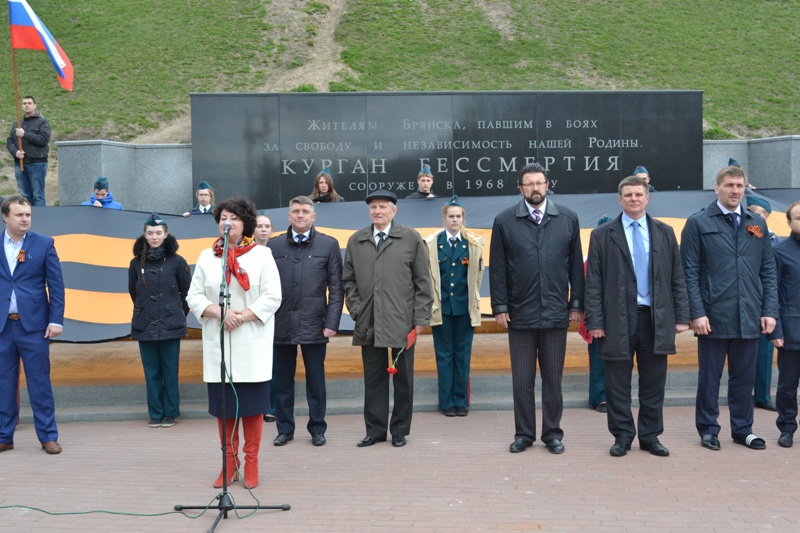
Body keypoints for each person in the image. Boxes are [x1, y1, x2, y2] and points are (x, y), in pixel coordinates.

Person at [585, 176, 690, 458]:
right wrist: (594, 322)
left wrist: (682, 316)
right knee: (617, 384)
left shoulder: (665, 232)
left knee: (653, 382)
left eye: (638, 194)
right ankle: (622, 436)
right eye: (628, 195)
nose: (633, 199)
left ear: (647, 198)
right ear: (619, 200)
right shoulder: (602, 235)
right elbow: (593, 282)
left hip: (655, 319)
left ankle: (650, 436)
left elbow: (677, 278)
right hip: (617, 320)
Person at [681, 165, 778, 451]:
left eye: (740, 186)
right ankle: (709, 429)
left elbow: (768, 270)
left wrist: (769, 310)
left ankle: (742, 429)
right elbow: (689, 271)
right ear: (717, 188)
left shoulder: (756, 224)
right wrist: (696, 312)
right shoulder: (698, 223)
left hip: (748, 314)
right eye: (729, 185)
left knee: (743, 378)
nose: (735, 190)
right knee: (709, 378)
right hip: (713, 315)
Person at [187, 196, 282, 489]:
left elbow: (272, 296)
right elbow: (194, 296)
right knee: (224, 408)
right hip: (220, 344)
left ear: (246, 224)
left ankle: (251, 460)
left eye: (234, 218)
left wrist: (242, 316)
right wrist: (220, 312)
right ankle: (230, 463)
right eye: (223, 217)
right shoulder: (207, 256)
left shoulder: (262, 255)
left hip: (251, 342)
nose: (227, 223)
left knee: (252, 408)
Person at [490, 162, 584, 454]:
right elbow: (498, 269)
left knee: (553, 380)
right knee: (522, 381)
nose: (534, 188)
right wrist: (500, 306)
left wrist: (576, 303)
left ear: (547, 185)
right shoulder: (505, 221)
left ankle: (553, 433)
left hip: (556, 313)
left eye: (539, 183)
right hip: (520, 314)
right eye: (528, 184)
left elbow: (576, 267)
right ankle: (524, 433)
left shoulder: (567, 218)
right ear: (520, 188)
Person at [343, 190, 433, 448]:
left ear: (394, 211)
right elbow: (348, 281)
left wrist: (419, 319)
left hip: (402, 320)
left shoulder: (410, 238)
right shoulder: (357, 240)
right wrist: (358, 310)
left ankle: (400, 430)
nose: (377, 211)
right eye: (373, 207)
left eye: (383, 207)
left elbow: (423, 282)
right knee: (373, 379)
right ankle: (375, 430)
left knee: (404, 378)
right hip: (368, 321)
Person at [268, 196, 344, 447]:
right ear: (288, 216)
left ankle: (317, 428)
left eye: (305, 211)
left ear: (313, 217)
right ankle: (284, 428)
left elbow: (336, 287)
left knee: (316, 381)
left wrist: (332, 321)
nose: (300, 215)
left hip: (314, 323)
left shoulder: (328, 245)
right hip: (281, 325)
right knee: (282, 382)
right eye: (296, 211)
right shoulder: (273, 246)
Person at [0, 195, 64, 454]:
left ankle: (48, 436)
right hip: (3, 327)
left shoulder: (44, 243)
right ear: (6, 217)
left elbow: (56, 285)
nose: (25, 219)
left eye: (27, 215)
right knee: (4, 383)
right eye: (19, 215)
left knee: (39, 383)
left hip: (35, 327)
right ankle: (4, 436)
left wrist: (56, 319)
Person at [128, 212, 191, 429]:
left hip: (170, 324)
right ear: (144, 235)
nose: (154, 237)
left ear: (166, 234)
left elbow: (187, 292)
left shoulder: (177, 261)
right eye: (150, 233)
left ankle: (170, 412)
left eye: (158, 233)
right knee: (151, 370)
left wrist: (175, 311)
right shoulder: (136, 263)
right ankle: (155, 412)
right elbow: (133, 293)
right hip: (145, 324)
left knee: (169, 369)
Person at [424, 195, 484, 417]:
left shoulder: (473, 243)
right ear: (444, 217)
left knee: (463, 354)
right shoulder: (432, 244)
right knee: (444, 354)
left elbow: (477, 275)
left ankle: (461, 400)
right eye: (451, 216)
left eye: (459, 216)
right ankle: (446, 402)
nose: (455, 220)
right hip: (442, 308)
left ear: (463, 218)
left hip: (464, 308)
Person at [769, 201, 800, 448]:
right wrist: (776, 330)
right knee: (788, 386)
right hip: (792, 331)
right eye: (798, 218)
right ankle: (787, 428)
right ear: (789, 222)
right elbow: (773, 294)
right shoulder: (780, 252)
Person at [746, 195, 781, 411]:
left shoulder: (775, 241)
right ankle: (741, 393)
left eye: (757, 214)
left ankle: (762, 395)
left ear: (767, 216)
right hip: (744, 300)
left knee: (765, 352)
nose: (753, 218)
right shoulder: (740, 235)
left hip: (766, 302)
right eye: (749, 213)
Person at [578, 215, 613, 414]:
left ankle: (612, 396)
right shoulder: (587, 261)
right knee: (599, 359)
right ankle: (599, 397)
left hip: (617, 317)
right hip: (597, 318)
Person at [5, 96, 50, 206]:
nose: (27, 105)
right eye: (24, 103)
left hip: (37, 163)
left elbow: (43, 140)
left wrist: (25, 134)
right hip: (20, 164)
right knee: (24, 196)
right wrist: (15, 152)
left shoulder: (42, 122)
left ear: (35, 105)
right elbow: (10, 141)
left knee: (38, 195)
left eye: (29, 103)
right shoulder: (17, 124)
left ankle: (39, 220)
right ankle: (25, 219)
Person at [254, 210, 277, 422]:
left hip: (276, 313)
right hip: (252, 315)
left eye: (266, 226)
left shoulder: (278, 251)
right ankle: (257, 405)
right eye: (259, 226)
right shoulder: (244, 252)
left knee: (275, 363)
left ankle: (272, 406)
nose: (263, 229)